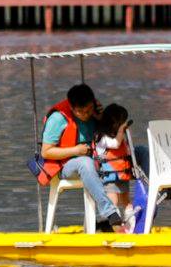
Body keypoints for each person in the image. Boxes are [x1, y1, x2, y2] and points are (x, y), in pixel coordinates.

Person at [35, 82, 125, 232]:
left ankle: (162, 193)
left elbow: (111, 138)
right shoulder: (58, 119)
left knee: (138, 152)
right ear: (71, 108)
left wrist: (101, 117)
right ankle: (110, 213)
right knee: (85, 162)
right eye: (80, 112)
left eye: (89, 110)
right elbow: (46, 152)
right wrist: (75, 150)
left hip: (97, 160)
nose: (85, 115)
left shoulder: (95, 112)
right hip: (66, 165)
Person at [92, 103, 135, 231]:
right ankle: (116, 228)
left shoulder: (120, 136)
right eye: (122, 123)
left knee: (127, 201)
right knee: (113, 201)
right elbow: (115, 144)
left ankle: (131, 227)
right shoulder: (102, 137)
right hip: (109, 176)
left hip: (122, 174)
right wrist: (122, 131)